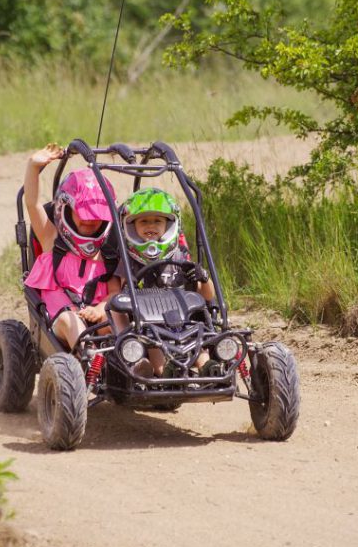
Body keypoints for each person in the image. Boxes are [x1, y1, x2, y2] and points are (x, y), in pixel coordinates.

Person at [22, 144, 121, 352]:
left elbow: (115, 293)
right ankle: (90, 363)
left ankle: (134, 364)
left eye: (96, 215)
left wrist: (100, 308)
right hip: (60, 320)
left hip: (97, 318)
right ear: (66, 209)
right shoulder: (53, 240)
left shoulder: (108, 253)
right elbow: (32, 203)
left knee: (119, 316)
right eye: (83, 214)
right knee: (71, 321)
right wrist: (33, 166)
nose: (90, 220)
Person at [114, 187, 218, 376]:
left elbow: (208, 297)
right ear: (131, 226)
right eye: (144, 221)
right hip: (148, 326)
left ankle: (207, 368)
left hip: (182, 322)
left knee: (198, 335)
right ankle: (164, 373)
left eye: (157, 221)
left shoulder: (181, 256)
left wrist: (203, 278)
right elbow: (119, 298)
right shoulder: (128, 259)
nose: (150, 226)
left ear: (169, 225)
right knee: (153, 341)